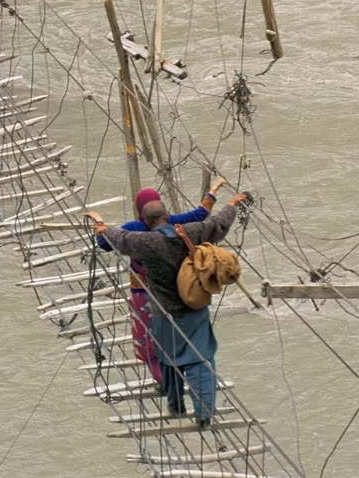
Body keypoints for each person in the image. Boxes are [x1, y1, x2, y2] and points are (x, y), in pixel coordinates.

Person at [88, 192, 246, 428]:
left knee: (168, 357)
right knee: (200, 359)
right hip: (195, 307)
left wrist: (102, 226)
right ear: (168, 216)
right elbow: (218, 224)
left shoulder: (146, 243)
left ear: (145, 221)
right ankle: (203, 414)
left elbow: (120, 238)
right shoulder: (189, 232)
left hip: (163, 311)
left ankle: (175, 405)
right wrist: (232, 204)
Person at [96, 180, 228, 386]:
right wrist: (212, 192)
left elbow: (106, 243)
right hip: (172, 288)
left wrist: (101, 226)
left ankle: (163, 378)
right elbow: (199, 214)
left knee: (148, 338)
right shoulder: (174, 222)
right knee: (177, 332)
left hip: (143, 291)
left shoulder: (134, 228)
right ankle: (189, 370)